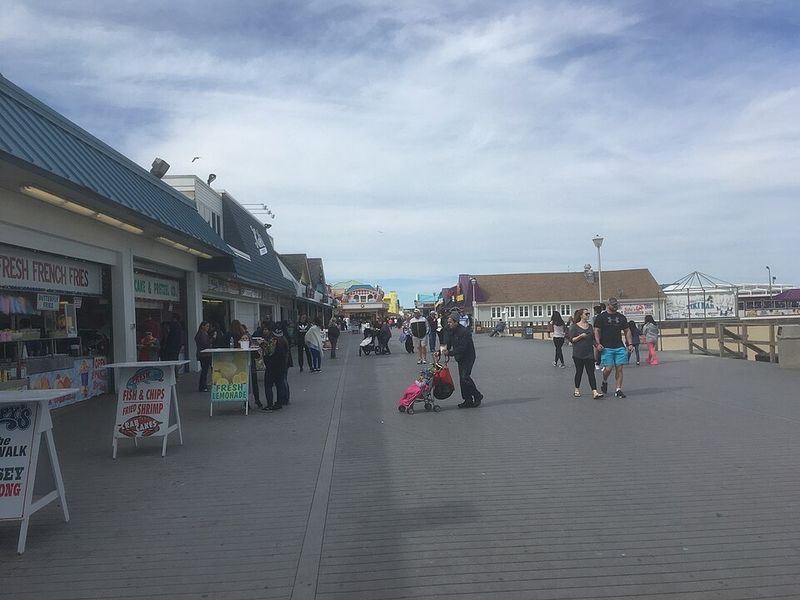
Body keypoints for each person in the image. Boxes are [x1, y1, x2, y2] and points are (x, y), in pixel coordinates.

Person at [594, 297, 633, 398]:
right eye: (613, 305)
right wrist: (598, 343)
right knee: (608, 368)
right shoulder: (601, 317)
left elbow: (627, 330)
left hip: (619, 346)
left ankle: (618, 389)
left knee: (619, 368)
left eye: (616, 305)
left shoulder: (621, 317)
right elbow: (597, 330)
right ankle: (605, 381)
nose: (615, 307)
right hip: (606, 347)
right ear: (608, 305)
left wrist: (630, 344)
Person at [443, 311, 483, 408]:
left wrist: (450, 353)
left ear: (456, 322)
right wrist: (441, 351)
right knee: (462, 379)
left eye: (450, 322)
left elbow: (462, 348)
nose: (448, 324)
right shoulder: (450, 330)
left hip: (468, 356)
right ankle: (467, 400)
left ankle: (477, 395)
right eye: (448, 322)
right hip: (460, 357)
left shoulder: (464, 332)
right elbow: (447, 343)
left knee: (465, 377)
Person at [569, 309, 603, 399]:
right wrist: (580, 336)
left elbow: (592, 339)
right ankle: (577, 389)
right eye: (586, 314)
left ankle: (595, 391)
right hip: (578, 353)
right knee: (579, 372)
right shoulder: (575, 327)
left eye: (588, 314)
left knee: (591, 373)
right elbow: (571, 339)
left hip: (589, 353)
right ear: (581, 315)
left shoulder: (590, 326)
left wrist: (597, 345)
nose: (588, 315)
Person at [231, 319, 262, 409]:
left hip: (241, 367)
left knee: (245, 384)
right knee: (254, 384)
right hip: (250, 367)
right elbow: (256, 355)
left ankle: (247, 402)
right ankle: (256, 400)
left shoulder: (233, 337)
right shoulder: (247, 338)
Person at [259, 321, 289, 410]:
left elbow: (270, 352)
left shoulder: (273, 340)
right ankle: (279, 403)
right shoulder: (284, 339)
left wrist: (262, 345)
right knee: (279, 384)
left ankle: (270, 404)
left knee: (268, 385)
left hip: (272, 366)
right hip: (281, 365)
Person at [194, 321, 212, 392]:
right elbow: (205, 344)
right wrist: (212, 339)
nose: (208, 328)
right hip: (205, 354)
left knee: (204, 370)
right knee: (204, 371)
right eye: (207, 326)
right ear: (203, 326)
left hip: (202, 354)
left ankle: (203, 385)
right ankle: (203, 386)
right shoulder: (202, 334)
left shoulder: (200, 333)